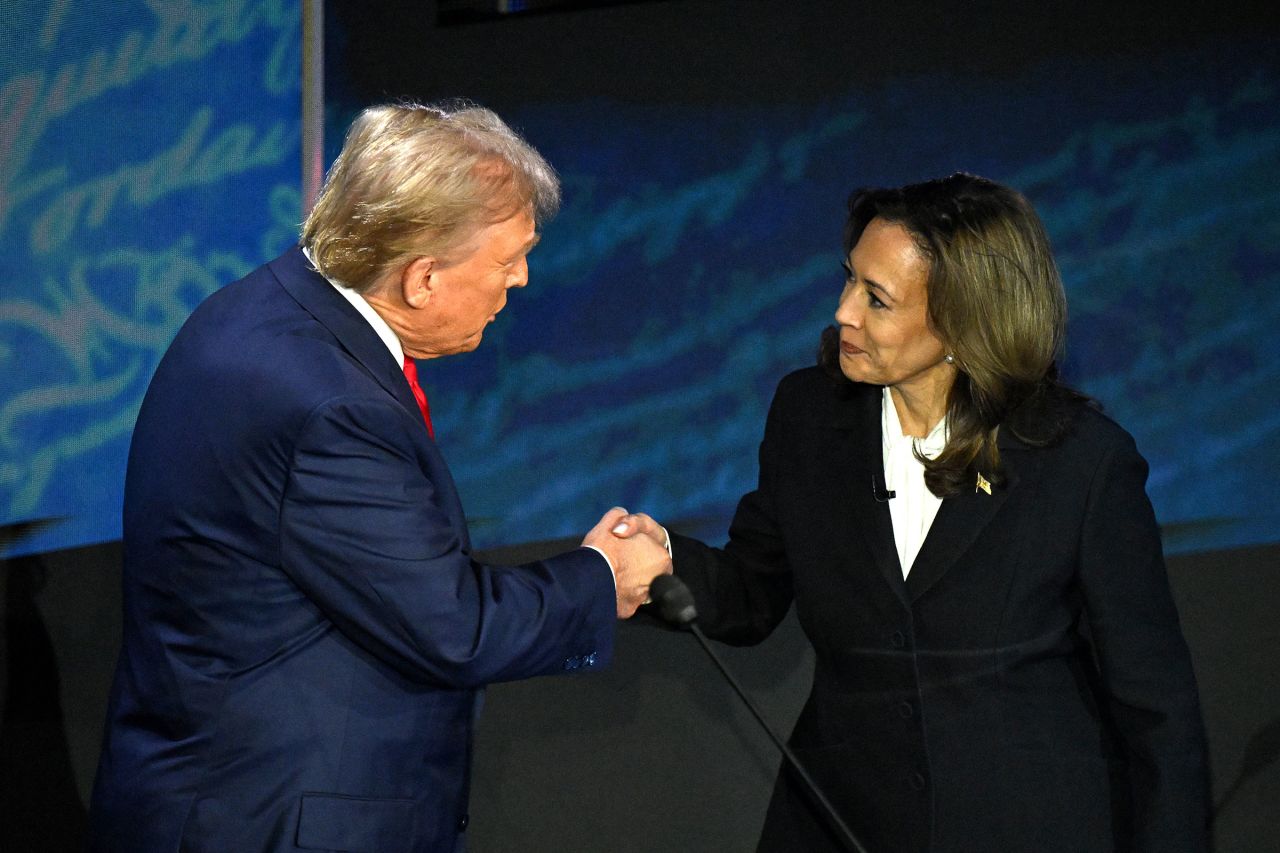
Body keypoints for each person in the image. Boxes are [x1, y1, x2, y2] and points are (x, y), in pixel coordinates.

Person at [87, 102, 671, 853]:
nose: (521, 280)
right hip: (273, 819)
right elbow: (453, 626)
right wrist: (602, 575)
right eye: (507, 261)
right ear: (423, 277)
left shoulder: (265, 307)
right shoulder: (331, 406)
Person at [614, 174, 1209, 852]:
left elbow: (1157, 709)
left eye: (877, 299)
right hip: (844, 821)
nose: (844, 312)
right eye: (848, 282)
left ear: (963, 320)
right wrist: (661, 560)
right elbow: (752, 591)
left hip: (1026, 825)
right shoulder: (811, 417)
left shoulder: (1081, 463)